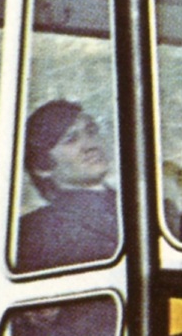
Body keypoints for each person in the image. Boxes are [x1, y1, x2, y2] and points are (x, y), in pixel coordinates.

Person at [17, 98, 120, 272]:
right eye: (70, 139)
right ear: (42, 166)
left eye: (91, 131)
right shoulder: (37, 233)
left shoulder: (145, 204)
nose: (91, 145)